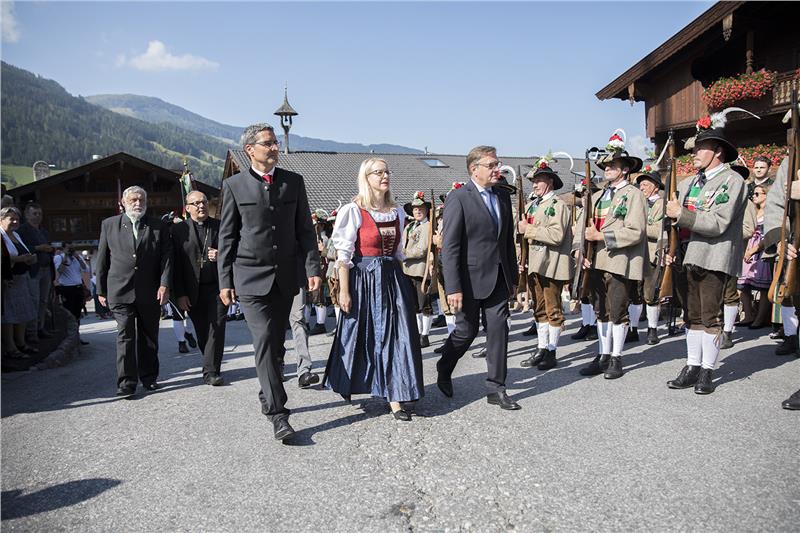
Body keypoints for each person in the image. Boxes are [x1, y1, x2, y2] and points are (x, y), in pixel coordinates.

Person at [218, 123, 321, 441]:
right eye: (268, 143)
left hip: (285, 277)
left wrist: (312, 268)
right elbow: (227, 237)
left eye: (276, 142)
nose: (275, 147)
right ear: (250, 150)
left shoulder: (293, 182)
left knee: (276, 346)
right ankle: (279, 413)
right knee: (263, 338)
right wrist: (225, 280)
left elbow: (305, 230)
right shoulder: (234, 185)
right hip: (250, 277)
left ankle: (268, 393)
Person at [323, 158, 425, 421]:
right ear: (366, 178)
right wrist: (344, 291)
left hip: (392, 280)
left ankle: (396, 394)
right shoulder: (353, 211)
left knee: (398, 335)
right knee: (361, 334)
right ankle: (352, 381)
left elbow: (399, 252)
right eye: (378, 172)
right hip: (363, 280)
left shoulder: (397, 212)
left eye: (387, 171)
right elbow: (343, 256)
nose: (384, 176)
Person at [665, 111, 748, 394]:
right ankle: (692, 366)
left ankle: (707, 371)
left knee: (710, 317)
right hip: (686, 255)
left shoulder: (732, 181)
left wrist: (681, 215)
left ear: (718, 152)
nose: (695, 153)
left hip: (714, 256)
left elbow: (719, 222)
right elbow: (670, 217)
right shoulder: (688, 183)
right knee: (692, 316)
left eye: (701, 148)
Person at [436, 146, 520, 410]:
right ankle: (444, 366)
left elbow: (507, 242)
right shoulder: (459, 198)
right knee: (466, 332)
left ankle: (496, 388)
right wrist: (453, 287)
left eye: (497, 164)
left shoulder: (502, 196)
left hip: (499, 279)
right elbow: (450, 247)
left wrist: (514, 278)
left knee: (499, 330)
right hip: (468, 282)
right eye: (492, 165)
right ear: (475, 169)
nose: (497, 169)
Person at [576, 133, 647, 379]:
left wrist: (601, 237)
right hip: (594, 261)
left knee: (617, 311)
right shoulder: (595, 197)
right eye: (605, 165)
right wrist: (580, 251)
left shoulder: (634, 194)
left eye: (612, 165)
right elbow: (581, 228)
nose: (606, 168)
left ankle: (616, 357)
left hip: (619, 261)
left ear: (625, 169)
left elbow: (636, 231)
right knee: (601, 312)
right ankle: (603, 355)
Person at [95, 186, 173, 397]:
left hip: (150, 290)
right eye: (133, 200)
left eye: (141, 200)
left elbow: (166, 257)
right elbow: (102, 259)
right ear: (123, 202)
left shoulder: (157, 225)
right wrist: (101, 290)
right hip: (120, 290)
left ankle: (149, 378)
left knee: (149, 337)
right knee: (125, 335)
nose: (138, 203)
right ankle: (126, 383)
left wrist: (164, 284)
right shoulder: (109, 225)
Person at [517, 157, 573, 371]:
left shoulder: (558, 205)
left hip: (552, 264)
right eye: (533, 181)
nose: (534, 185)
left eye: (538, 180)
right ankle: (541, 348)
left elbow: (557, 235)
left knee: (553, 310)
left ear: (549, 181)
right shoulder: (533, 205)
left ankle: (551, 351)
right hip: (534, 264)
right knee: (539, 309)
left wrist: (528, 230)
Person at [171, 190, 227, 385]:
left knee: (216, 328)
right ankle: (211, 365)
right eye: (196, 203)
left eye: (203, 202)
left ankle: (211, 372)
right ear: (187, 208)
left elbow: (234, 252)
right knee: (202, 331)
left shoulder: (220, 226)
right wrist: (180, 294)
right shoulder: (178, 231)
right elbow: (176, 266)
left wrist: (220, 255)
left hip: (218, 287)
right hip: (192, 290)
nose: (201, 206)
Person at [1, 207, 39, 359]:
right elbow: (3, 258)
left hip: (21, 278)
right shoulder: (1, 236)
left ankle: (21, 343)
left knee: (22, 312)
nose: (15, 222)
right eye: (12, 219)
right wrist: (19, 259)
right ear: (1, 220)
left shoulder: (16, 234)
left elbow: (22, 252)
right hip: (8, 280)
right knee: (9, 315)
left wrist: (29, 258)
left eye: (17, 219)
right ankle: (11, 347)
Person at [16, 203, 55, 339]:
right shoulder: (22, 230)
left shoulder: (44, 231)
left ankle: (40, 327)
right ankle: (31, 331)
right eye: (34, 213)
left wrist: (50, 249)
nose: (38, 216)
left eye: (40, 214)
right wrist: (38, 248)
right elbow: (20, 248)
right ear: (27, 215)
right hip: (33, 269)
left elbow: (50, 247)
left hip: (46, 268)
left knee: (43, 300)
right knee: (34, 299)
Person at [636, 169, 665, 344]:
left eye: (646, 184)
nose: (642, 188)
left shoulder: (662, 204)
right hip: (634, 254)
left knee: (651, 293)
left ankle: (652, 329)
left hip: (651, 254)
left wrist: (637, 228)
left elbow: (660, 230)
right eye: (640, 185)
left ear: (655, 187)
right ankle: (632, 328)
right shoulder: (637, 203)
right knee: (634, 293)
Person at [402, 191, 434, 348]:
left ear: (426, 210)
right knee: (414, 305)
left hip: (421, 270)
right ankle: (418, 332)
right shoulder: (409, 226)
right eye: (415, 209)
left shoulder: (428, 226)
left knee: (424, 304)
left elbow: (422, 250)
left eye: (420, 209)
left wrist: (403, 254)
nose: (418, 211)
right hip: (407, 270)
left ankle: (425, 335)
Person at [738, 184, 772, 328]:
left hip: (762, 250)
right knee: (742, 285)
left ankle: (760, 318)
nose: (754, 196)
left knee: (763, 288)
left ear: (766, 195)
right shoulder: (752, 210)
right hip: (748, 247)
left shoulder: (770, 212)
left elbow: (769, 235)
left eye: (758, 194)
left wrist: (753, 250)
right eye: (754, 193)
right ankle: (748, 315)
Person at [53, 242, 90, 343]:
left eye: (72, 248)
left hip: (78, 288)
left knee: (77, 314)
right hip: (66, 288)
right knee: (69, 314)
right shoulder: (59, 258)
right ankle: (68, 337)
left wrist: (77, 257)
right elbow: (59, 271)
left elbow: (86, 269)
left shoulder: (77, 257)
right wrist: (65, 258)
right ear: (63, 248)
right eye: (69, 248)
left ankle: (77, 336)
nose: (71, 250)